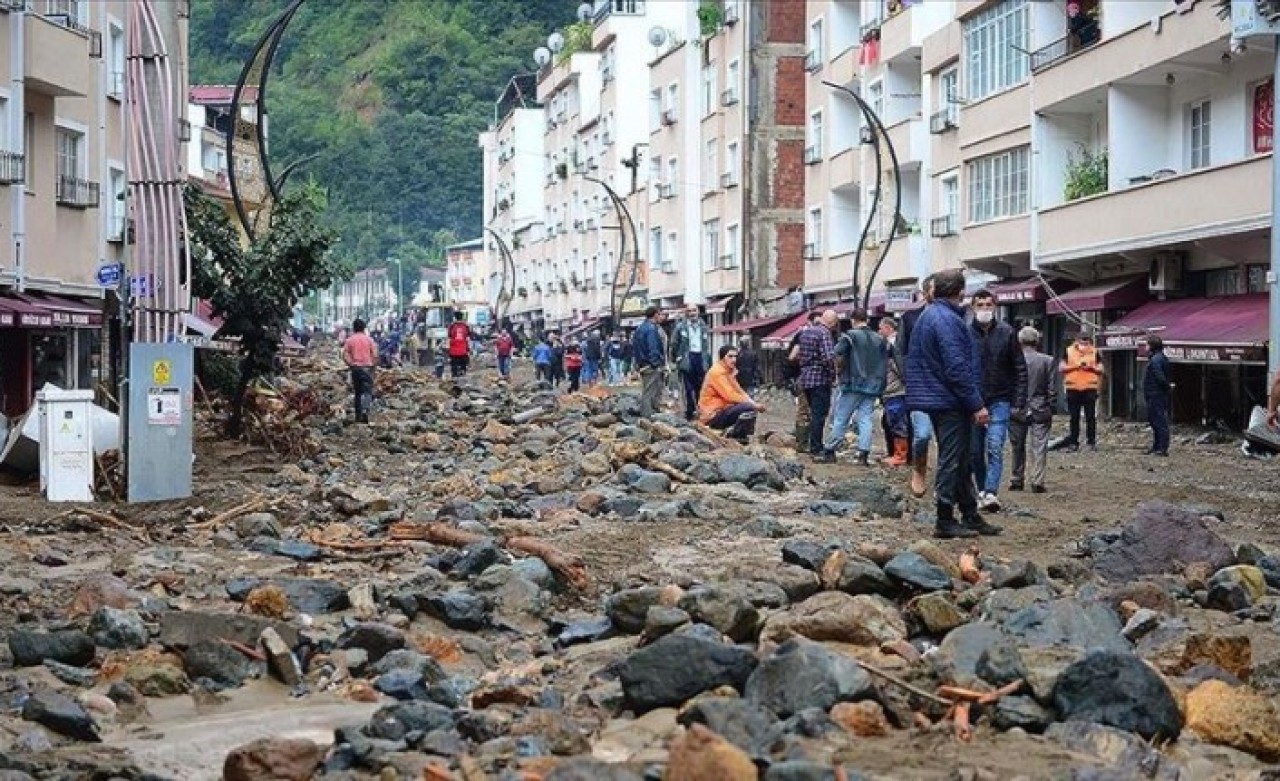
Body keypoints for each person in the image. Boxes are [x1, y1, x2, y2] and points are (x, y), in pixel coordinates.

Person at [904, 269, 1000, 539]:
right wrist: (976, 404)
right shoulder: (947, 320)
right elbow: (957, 367)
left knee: (960, 458)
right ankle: (945, 518)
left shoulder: (930, 315)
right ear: (961, 292)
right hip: (949, 400)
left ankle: (969, 513)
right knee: (954, 459)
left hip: (938, 397)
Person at [968, 290, 1028, 512]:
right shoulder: (965, 333)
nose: (984, 308)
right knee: (975, 451)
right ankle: (982, 489)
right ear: (973, 307)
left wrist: (1018, 400)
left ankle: (991, 491)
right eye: (980, 304)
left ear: (995, 307)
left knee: (994, 445)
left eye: (988, 304)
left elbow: (1019, 367)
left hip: (1000, 399)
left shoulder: (1007, 332)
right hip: (973, 400)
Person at [819, 309, 886, 465]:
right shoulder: (879, 339)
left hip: (853, 383)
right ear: (867, 320)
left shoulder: (850, 336)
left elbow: (835, 354)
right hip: (873, 384)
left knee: (841, 417)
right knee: (865, 418)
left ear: (852, 320)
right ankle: (863, 453)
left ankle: (830, 450)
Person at [1009, 327, 1056, 494]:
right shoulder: (1047, 361)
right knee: (1039, 446)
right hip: (1040, 407)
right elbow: (1051, 387)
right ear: (1037, 341)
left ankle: (1016, 479)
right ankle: (1037, 480)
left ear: (1019, 341)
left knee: (1017, 446)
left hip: (1016, 408)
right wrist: (1051, 405)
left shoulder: (1012, 361)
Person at [900, 275, 935, 498]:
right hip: (920, 387)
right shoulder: (911, 318)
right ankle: (919, 469)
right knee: (922, 434)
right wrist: (909, 378)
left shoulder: (958, 317)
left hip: (948, 389)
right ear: (925, 293)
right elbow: (900, 350)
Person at [699, 345, 767, 443]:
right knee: (747, 408)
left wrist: (754, 403)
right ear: (722, 358)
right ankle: (735, 435)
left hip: (722, 410)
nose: (734, 360)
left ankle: (740, 434)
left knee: (749, 407)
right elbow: (730, 396)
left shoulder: (728, 372)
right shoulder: (717, 372)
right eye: (730, 356)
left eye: (735, 356)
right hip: (712, 415)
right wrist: (753, 405)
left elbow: (739, 391)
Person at [795, 310, 839, 459]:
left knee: (811, 413)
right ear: (833, 323)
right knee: (819, 415)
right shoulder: (824, 334)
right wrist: (833, 374)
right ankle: (816, 447)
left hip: (806, 378)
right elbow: (828, 357)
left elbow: (799, 355)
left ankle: (804, 443)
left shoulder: (806, 332)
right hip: (820, 379)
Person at [1057, 330, 1103, 452]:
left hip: (1089, 388)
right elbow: (1061, 368)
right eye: (1083, 340)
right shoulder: (1068, 351)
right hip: (1073, 388)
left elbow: (1101, 368)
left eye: (1087, 340)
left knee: (1090, 417)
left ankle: (1091, 442)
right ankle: (1073, 442)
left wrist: (1091, 368)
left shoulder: (1095, 351)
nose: (1085, 343)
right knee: (1074, 417)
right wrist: (1076, 366)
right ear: (1077, 340)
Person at [786, 311, 821, 453]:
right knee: (806, 410)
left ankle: (805, 442)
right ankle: (803, 443)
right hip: (806, 378)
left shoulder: (804, 335)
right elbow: (792, 356)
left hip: (806, 377)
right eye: (817, 323)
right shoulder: (804, 335)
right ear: (809, 322)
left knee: (807, 410)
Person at [671, 306, 711, 421]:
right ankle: (689, 410)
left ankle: (700, 410)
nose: (692, 313)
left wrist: (707, 361)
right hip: (687, 358)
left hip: (700, 358)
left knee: (701, 386)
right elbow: (674, 344)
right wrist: (676, 358)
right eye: (689, 311)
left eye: (694, 310)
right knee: (688, 388)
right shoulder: (680, 327)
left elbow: (706, 345)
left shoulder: (703, 326)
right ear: (686, 313)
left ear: (698, 312)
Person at [879, 317, 910, 466]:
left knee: (897, 422)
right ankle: (899, 454)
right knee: (894, 422)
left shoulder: (893, 347)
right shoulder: (896, 345)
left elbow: (899, 369)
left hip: (895, 390)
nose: (879, 331)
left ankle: (900, 455)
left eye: (881, 328)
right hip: (895, 390)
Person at [633, 306, 667, 417]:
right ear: (655, 314)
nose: (661, 317)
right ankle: (647, 417)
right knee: (650, 392)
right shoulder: (652, 329)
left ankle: (651, 414)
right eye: (660, 314)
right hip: (650, 365)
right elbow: (653, 348)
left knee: (648, 390)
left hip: (643, 364)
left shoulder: (640, 328)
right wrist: (656, 364)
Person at [342, 318, 378, 424]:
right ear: (364, 328)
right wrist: (373, 366)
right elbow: (375, 355)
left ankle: (358, 416)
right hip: (367, 367)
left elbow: (344, 354)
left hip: (355, 369)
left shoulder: (350, 340)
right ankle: (365, 410)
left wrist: (350, 364)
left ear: (354, 328)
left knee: (357, 392)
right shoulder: (369, 340)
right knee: (367, 391)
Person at [1143, 335, 1172, 456]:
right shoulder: (1159, 358)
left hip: (1156, 394)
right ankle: (1157, 446)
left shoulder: (1156, 360)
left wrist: (1166, 386)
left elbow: (1159, 376)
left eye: (1147, 344)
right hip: (1155, 393)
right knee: (1155, 420)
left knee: (1159, 420)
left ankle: (1161, 448)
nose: (1145, 346)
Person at [447, 312, 471, 378]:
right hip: (463, 350)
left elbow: (449, 337)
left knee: (454, 369)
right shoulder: (466, 326)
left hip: (453, 351)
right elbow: (468, 338)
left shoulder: (451, 326)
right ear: (462, 317)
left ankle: (454, 378)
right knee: (463, 368)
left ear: (455, 318)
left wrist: (448, 349)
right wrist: (468, 349)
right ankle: (462, 377)